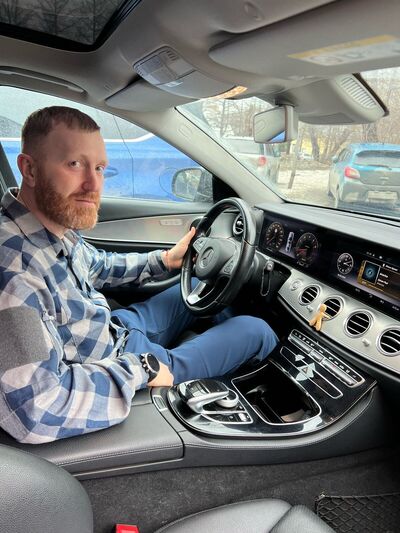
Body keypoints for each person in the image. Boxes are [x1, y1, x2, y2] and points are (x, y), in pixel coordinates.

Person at [0, 106, 278, 444]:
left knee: (200, 285)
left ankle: (216, 365)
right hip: (113, 364)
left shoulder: (48, 226)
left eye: (99, 168)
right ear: (29, 169)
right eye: (74, 164)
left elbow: (99, 265)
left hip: (113, 329)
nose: (93, 184)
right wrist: (142, 368)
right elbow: (38, 408)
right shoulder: (13, 273)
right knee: (257, 330)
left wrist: (165, 260)